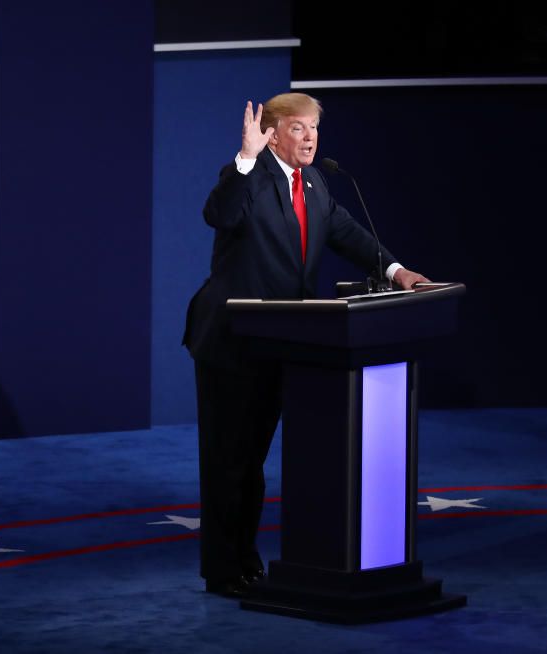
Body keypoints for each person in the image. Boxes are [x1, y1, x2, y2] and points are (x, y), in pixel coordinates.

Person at [182, 93, 429, 598]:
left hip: (287, 341)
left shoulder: (313, 184)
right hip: (232, 342)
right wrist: (245, 159)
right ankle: (224, 570)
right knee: (230, 462)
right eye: (298, 128)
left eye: (314, 128)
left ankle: (245, 560)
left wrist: (397, 271)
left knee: (253, 464)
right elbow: (221, 215)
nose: (311, 137)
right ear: (272, 133)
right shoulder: (250, 177)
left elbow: (348, 234)